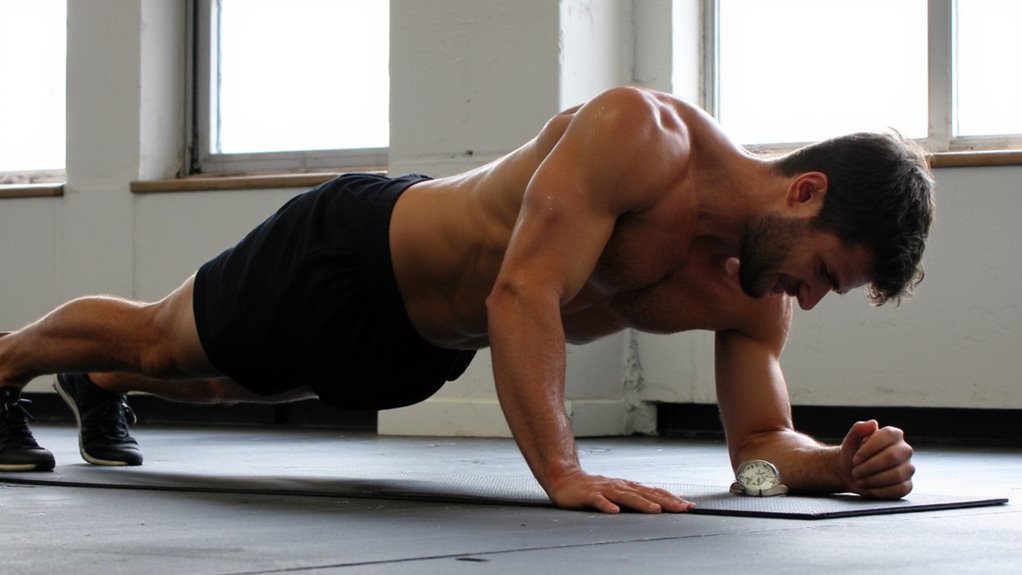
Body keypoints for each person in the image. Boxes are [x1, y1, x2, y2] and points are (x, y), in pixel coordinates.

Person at [0, 86, 933, 513]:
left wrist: (834, 469)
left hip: (419, 346)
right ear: (803, 193)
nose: (805, 301)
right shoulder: (641, 136)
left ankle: (91, 380)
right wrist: (564, 470)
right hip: (353, 251)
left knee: (219, 384)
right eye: (821, 272)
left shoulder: (752, 300)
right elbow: (523, 291)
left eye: (829, 293)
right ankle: (9, 362)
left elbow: (758, 454)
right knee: (171, 342)